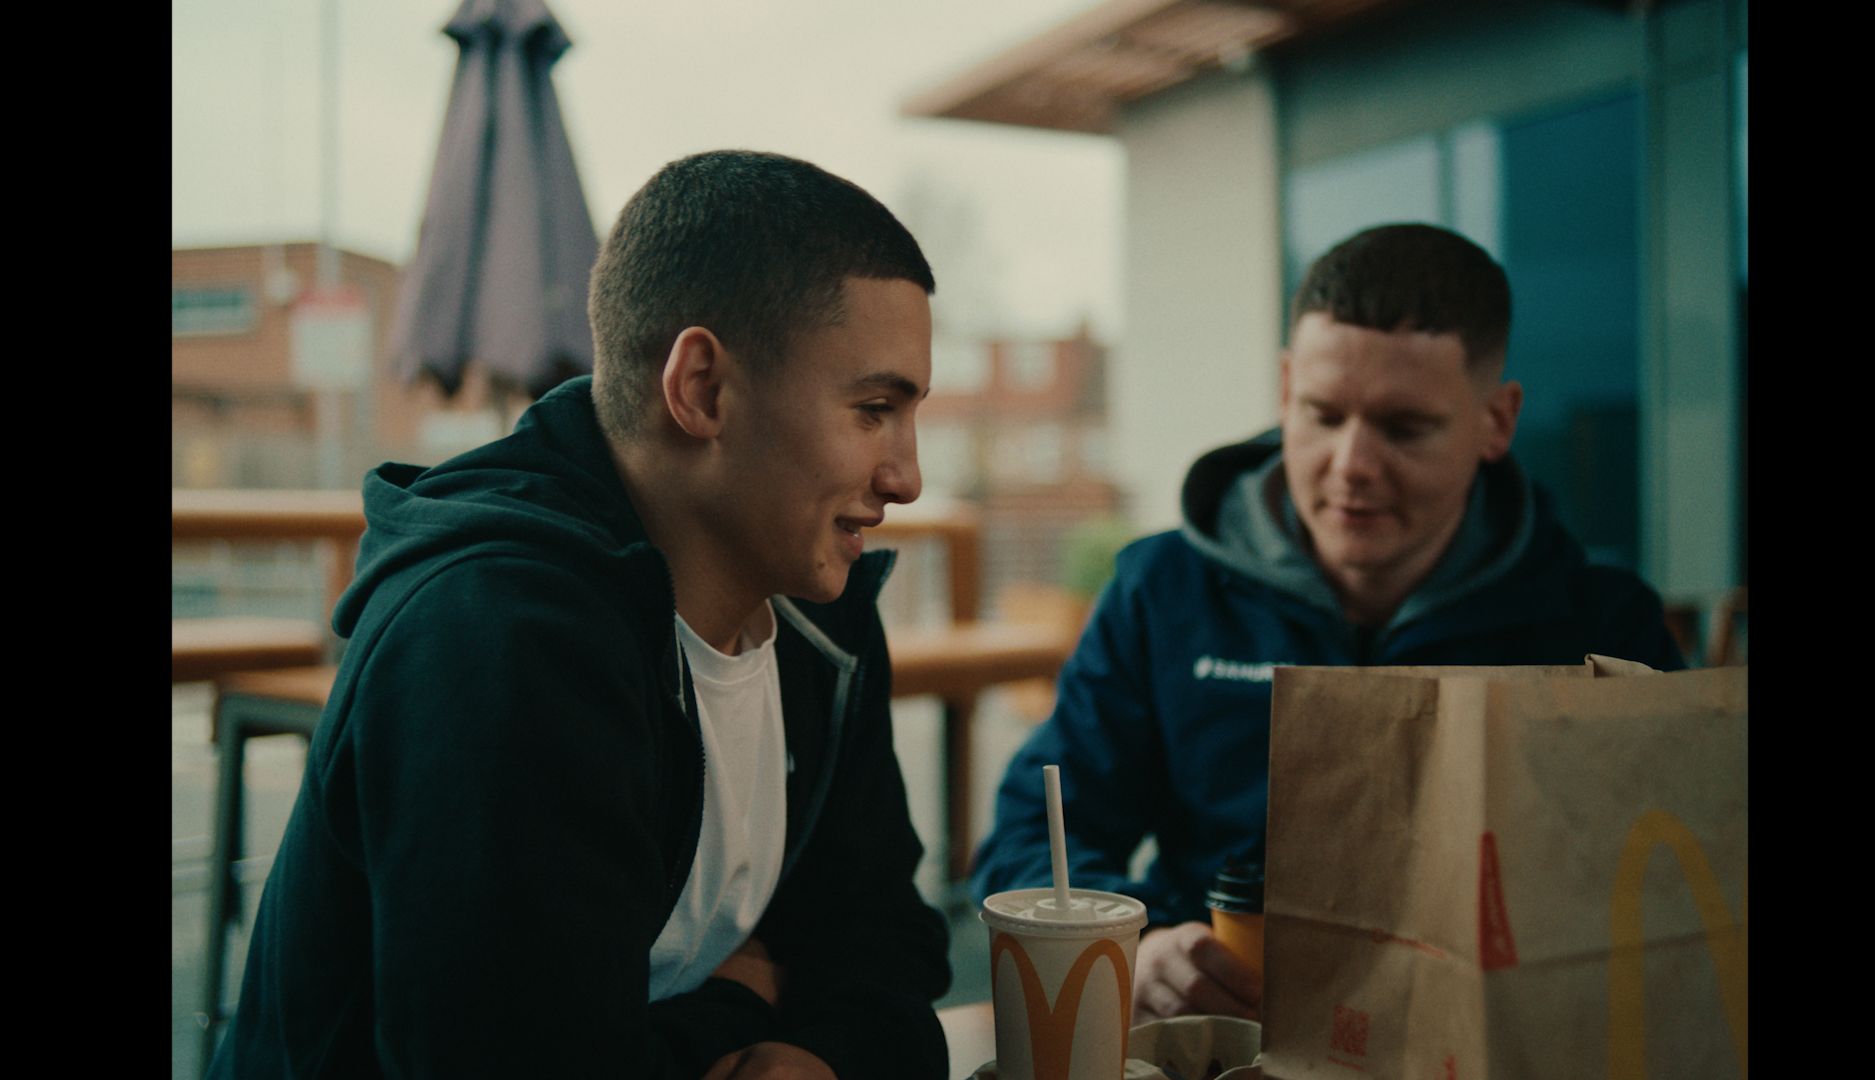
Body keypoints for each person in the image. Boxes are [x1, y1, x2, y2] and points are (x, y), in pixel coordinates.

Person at [210, 150, 951, 1079]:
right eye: (873, 409)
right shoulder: (495, 638)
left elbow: (887, 944)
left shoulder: (819, 619)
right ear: (703, 390)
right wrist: (740, 1001)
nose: (907, 478)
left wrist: (821, 1057)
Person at [969, 223, 1684, 1026]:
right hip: (1224, 1037)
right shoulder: (1161, 590)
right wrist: (1142, 940)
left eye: (1404, 427)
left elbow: (1681, 890)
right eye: (1322, 414)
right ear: (1283, 391)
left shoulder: (1601, 626)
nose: (1351, 465)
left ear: (1496, 422)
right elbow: (1033, 834)